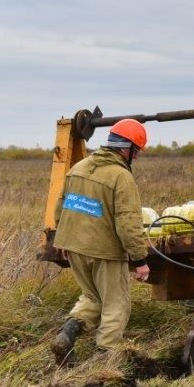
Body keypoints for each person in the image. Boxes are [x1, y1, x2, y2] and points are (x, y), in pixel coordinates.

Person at [50, 118, 150, 362]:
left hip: (73, 246)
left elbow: (60, 208)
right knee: (116, 305)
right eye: (136, 152)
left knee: (92, 297)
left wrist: (60, 240)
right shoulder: (121, 177)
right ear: (127, 149)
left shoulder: (79, 167)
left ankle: (68, 332)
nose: (136, 158)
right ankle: (107, 357)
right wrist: (140, 260)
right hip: (105, 251)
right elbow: (128, 224)